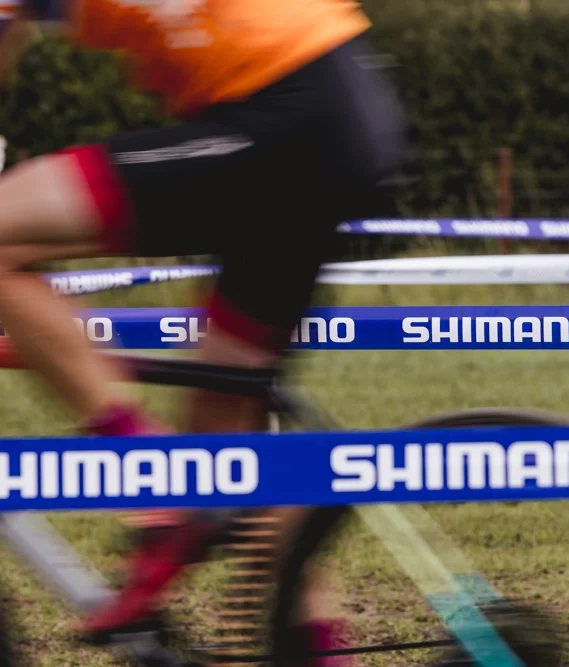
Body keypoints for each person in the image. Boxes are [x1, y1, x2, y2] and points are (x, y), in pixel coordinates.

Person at [0, 0, 407, 662]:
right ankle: (320, 653)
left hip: (287, 114)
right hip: (334, 109)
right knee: (228, 450)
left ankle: (150, 475)